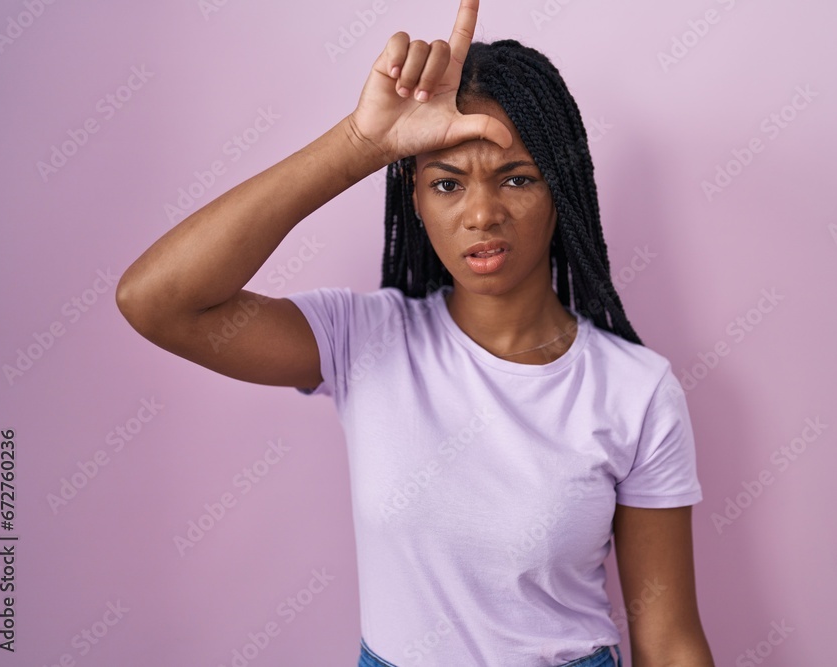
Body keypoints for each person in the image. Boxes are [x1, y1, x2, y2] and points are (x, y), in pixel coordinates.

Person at [116, 0, 715, 664]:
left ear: (562, 189)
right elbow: (158, 301)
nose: (482, 213)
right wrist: (361, 143)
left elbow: (668, 638)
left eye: (517, 178)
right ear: (416, 198)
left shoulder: (636, 391)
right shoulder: (364, 341)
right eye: (448, 183)